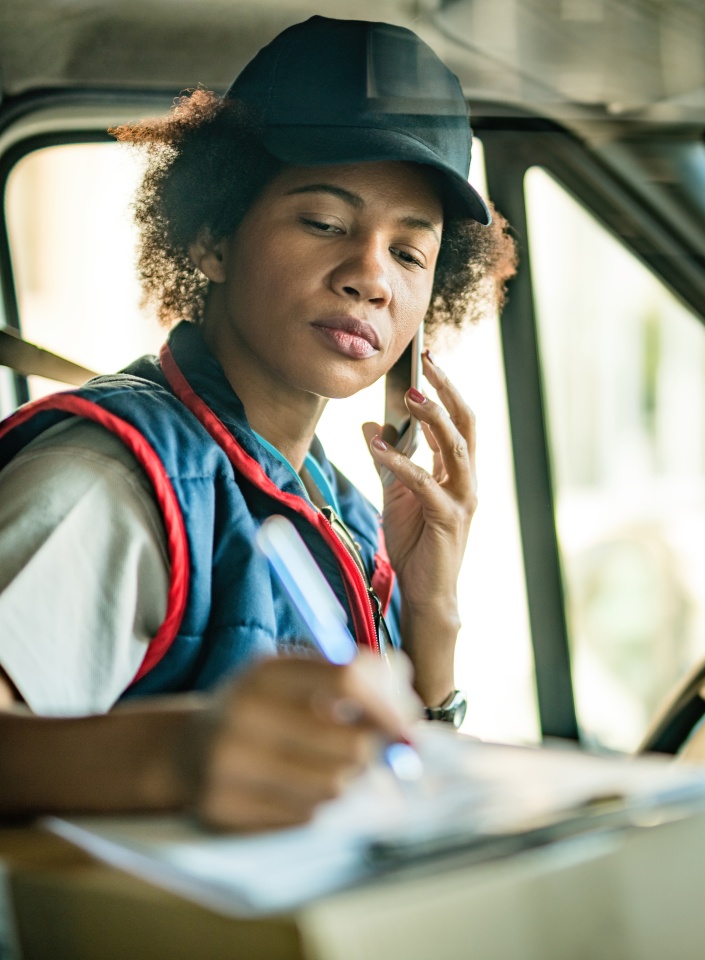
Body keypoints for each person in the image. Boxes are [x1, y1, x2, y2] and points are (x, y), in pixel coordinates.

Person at [0, 15, 516, 829]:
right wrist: (183, 754)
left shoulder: (337, 508)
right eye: (324, 223)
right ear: (212, 236)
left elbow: (389, 803)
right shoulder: (109, 485)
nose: (370, 278)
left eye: (411, 253)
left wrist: (431, 612)